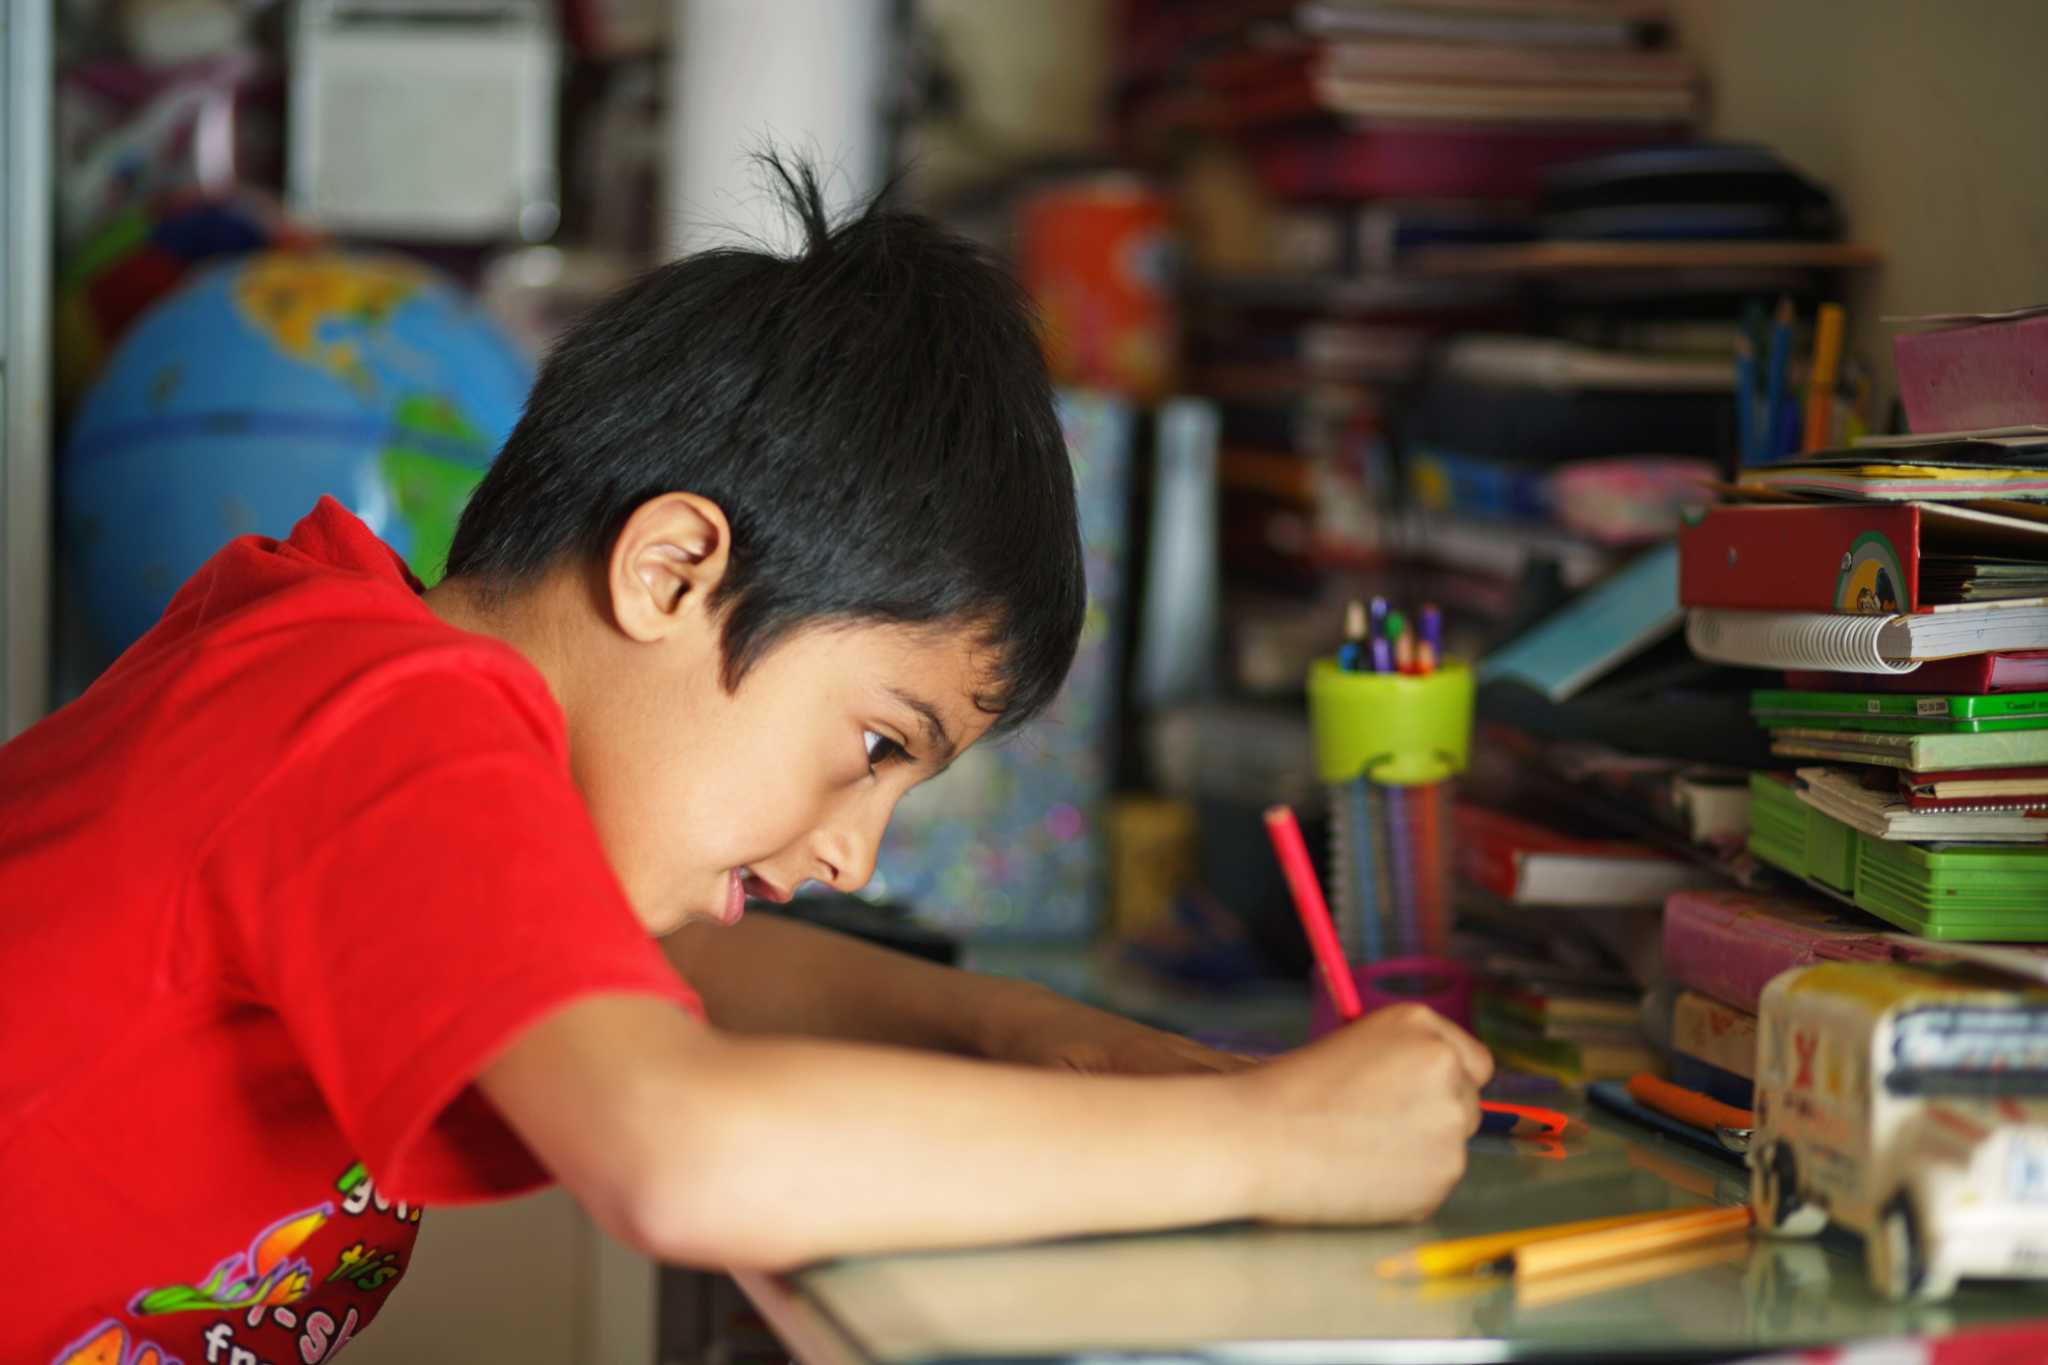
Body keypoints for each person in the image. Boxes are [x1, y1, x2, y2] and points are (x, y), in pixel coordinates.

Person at [2, 159, 1488, 1365]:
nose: (854, 852)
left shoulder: (344, 665)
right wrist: (1269, 1144)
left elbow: (669, 967)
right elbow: (683, 1153)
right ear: (669, 571)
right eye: (877, 744)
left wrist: (1035, 1033)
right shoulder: (379, 715)